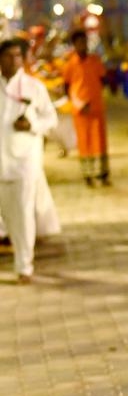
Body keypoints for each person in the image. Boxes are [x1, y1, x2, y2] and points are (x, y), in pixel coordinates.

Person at [0, 38, 58, 284]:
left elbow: (51, 119)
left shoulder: (34, 88)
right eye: (8, 56)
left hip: (24, 161)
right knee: (8, 216)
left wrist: (32, 125)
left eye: (18, 56)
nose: (14, 61)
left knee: (23, 213)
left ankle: (24, 266)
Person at [62, 29, 111, 186]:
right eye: (79, 42)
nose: (83, 45)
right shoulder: (70, 64)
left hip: (96, 108)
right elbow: (67, 86)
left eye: (84, 42)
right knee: (84, 141)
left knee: (99, 140)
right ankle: (88, 174)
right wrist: (78, 102)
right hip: (80, 111)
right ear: (74, 45)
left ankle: (102, 173)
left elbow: (103, 79)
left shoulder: (95, 61)